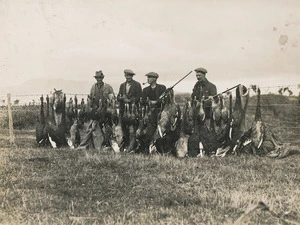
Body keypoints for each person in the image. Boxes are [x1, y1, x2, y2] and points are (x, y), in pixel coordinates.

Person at [77, 70, 115, 150]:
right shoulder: (93, 87)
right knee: (92, 128)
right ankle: (88, 145)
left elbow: (112, 100)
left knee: (108, 129)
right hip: (96, 112)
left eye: (100, 77)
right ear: (96, 78)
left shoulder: (108, 87)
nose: (99, 79)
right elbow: (90, 100)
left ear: (102, 78)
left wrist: (109, 109)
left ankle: (107, 144)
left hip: (106, 112)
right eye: (97, 78)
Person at [137, 72, 166, 153]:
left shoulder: (162, 88)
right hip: (150, 114)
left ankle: (161, 151)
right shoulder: (145, 90)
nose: (148, 79)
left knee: (161, 134)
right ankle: (146, 150)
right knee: (148, 134)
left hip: (161, 114)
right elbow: (142, 101)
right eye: (148, 77)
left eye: (150, 77)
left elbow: (164, 100)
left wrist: (156, 102)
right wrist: (150, 102)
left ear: (155, 79)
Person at [117, 69, 142, 152]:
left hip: (133, 111)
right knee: (124, 128)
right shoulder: (122, 85)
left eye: (130, 76)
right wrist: (122, 98)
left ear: (132, 76)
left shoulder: (137, 85)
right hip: (123, 110)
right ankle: (125, 145)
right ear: (125, 76)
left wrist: (130, 100)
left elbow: (139, 97)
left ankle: (132, 146)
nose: (128, 77)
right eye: (127, 75)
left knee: (133, 128)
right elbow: (118, 97)